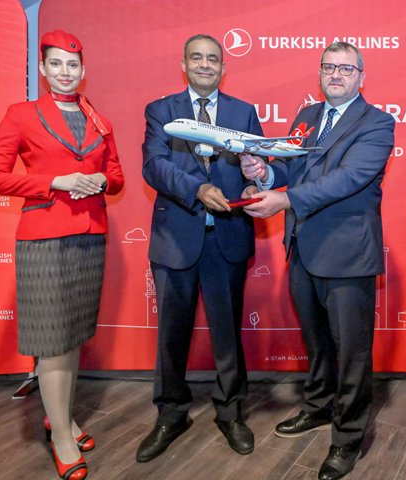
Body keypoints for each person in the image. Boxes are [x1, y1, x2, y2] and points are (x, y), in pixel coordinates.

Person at [240, 42, 395, 480]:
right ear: (320, 73)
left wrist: (284, 200)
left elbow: (347, 179)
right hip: (303, 249)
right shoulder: (307, 117)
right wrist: (264, 174)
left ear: (361, 76)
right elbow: (291, 171)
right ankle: (319, 407)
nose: (336, 75)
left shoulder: (377, 122)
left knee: (352, 353)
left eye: (346, 68)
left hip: (347, 255)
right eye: (329, 67)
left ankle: (348, 438)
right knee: (318, 343)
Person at [0, 30, 124, 480]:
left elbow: (117, 174)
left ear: (84, 70)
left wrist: (102, 181)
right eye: (56, 64)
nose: (66, 72)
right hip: (44, 238)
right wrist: (53, 182)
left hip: (90, 236)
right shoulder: (22, 114)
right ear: (42, 69)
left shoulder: (98, 118)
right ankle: (62, 435)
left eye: (73, 65)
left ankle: (58, 417)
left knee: (73, 335)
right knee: (53, 342)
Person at [136, 34, 264, 463]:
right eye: (197, 58)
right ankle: (171, 413)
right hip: (176, 239)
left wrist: (256, 182)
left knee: (228, 333)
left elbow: (258, 168)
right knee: (172, 335)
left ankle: (230, 411)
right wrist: (198, 188)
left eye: (213, 59)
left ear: (224, 68)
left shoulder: (243, 112)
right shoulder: (161, 110)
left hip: (227, 238)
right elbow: (155, 165)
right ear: (184, 64)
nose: (205, 65)